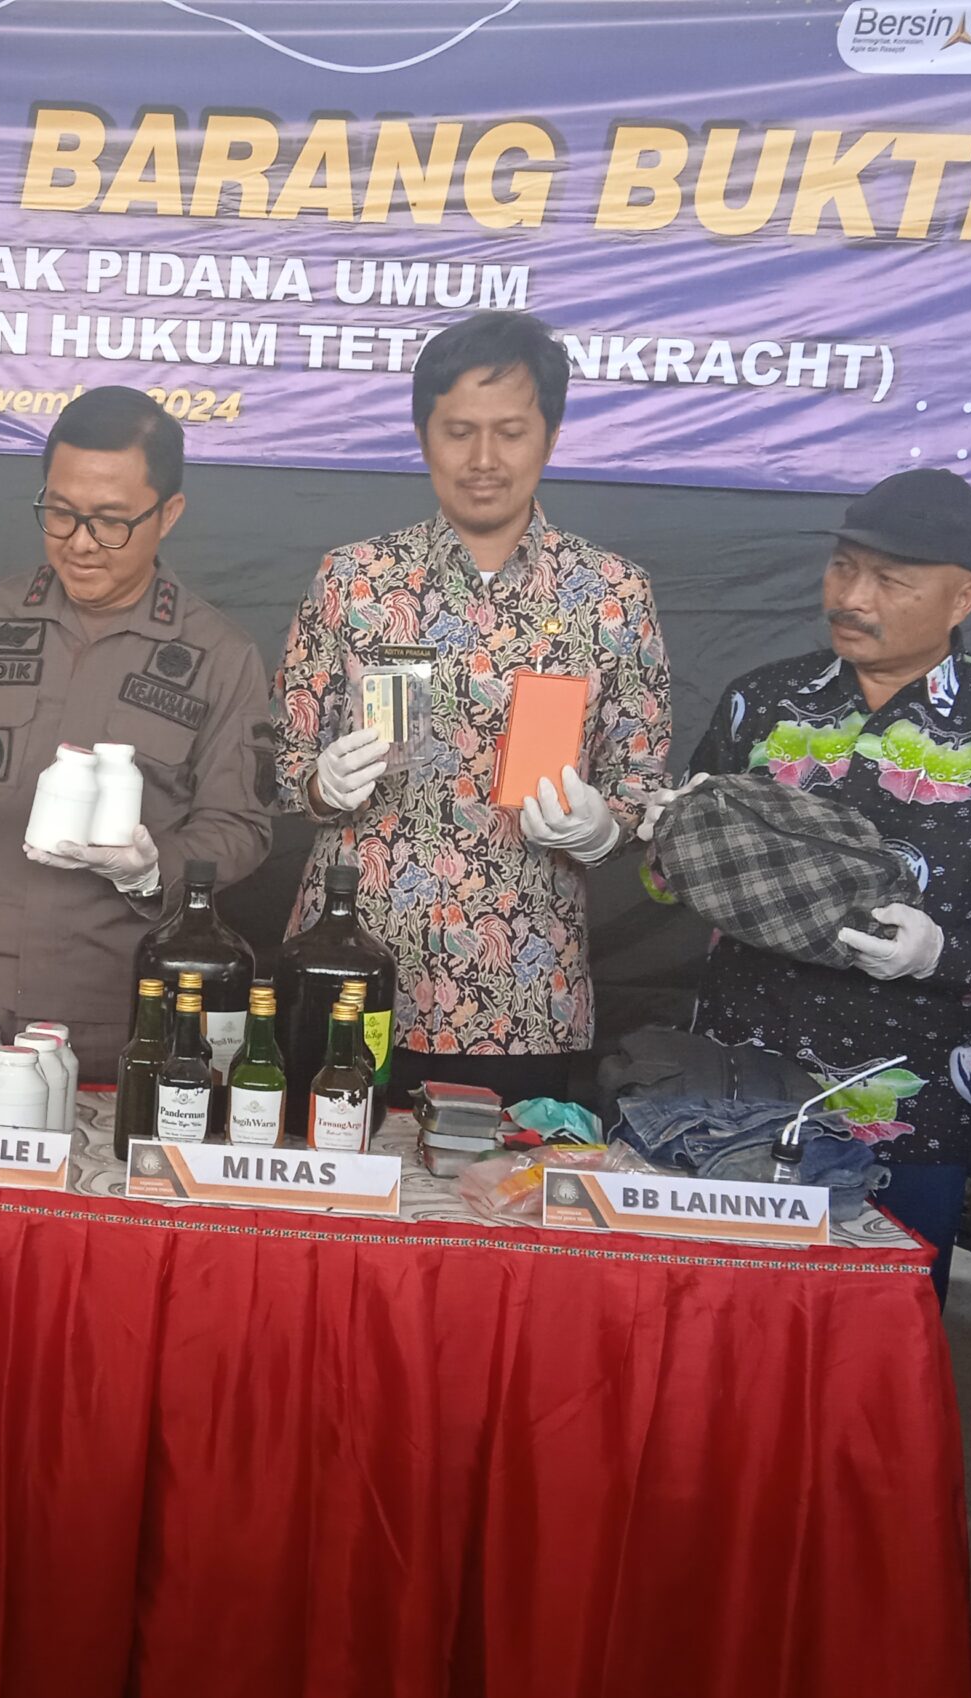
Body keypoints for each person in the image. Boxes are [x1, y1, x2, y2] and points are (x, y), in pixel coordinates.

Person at [645, 468, 971, 1297]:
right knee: (715, 1314)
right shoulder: (763, 702)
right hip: (735, 1086)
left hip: (909, 1102)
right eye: (843, 568)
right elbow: (672, 878)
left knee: (881, 1331)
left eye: (890, 580)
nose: (852, 597)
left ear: (965, 598)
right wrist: (647, 838)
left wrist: (943, 953)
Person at [271, 312, 670, 1105]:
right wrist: (319, 784)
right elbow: (285, 761)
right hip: (350, 966)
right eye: (458, 431)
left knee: (497, 1183)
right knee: (333, 1174)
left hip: (520, 992)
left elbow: (640, 784)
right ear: (424, 437)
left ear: (550, 437)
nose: (483, 459)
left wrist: (605, 828)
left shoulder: (613, 596)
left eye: (510, 432)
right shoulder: (356, 580)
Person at [0, 385, 272, 1070]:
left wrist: (153, 868)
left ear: (168, 515)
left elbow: (242, 826)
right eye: (61, 513)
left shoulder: (219, 655)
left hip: (118, 1010)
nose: (80, 543)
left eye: (110, 522)